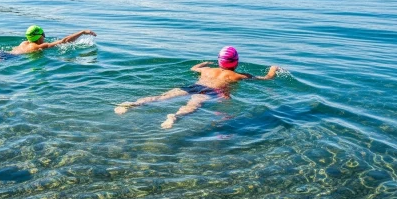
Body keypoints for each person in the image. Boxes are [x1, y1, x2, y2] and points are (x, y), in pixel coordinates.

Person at [114, 46, 278, 129]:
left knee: (161, 97)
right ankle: (174, 117)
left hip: (193, 86)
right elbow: (265, 79)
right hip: (210, 92)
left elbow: (194, 68)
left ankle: (132, 104)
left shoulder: (207, 69)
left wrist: (204, 63)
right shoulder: (238, 76)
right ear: (236, 62)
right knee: (192, 106)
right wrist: (272, 70)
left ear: (219, 61)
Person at [0, 25, 96, 69]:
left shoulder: (24, 43)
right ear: (39, 36)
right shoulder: (38, 47)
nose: (45, 35)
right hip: (8, 58)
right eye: (43, 33)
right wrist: (82, 31)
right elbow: (64, 41)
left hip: (0, 52)